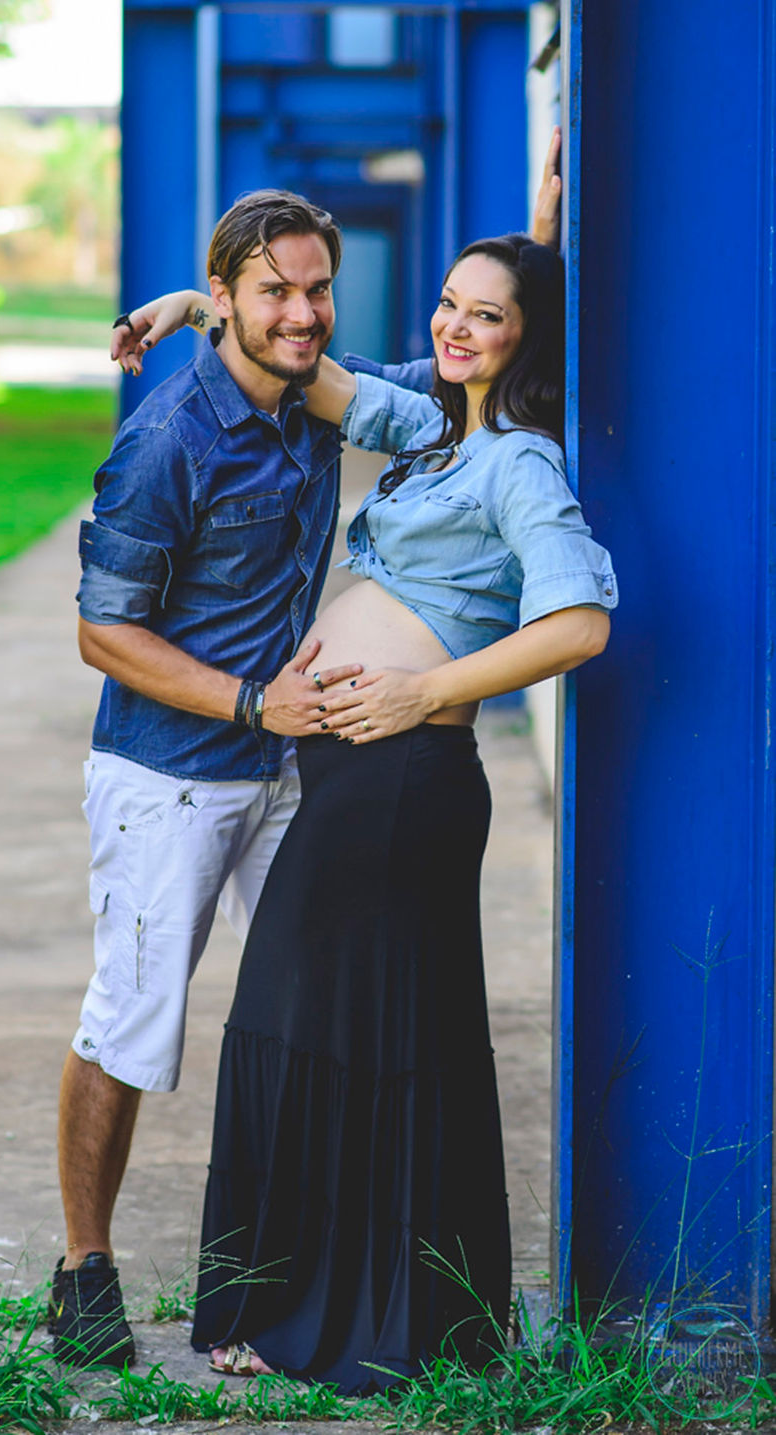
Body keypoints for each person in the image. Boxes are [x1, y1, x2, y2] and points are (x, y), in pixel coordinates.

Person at [111, 221, 616, 1391]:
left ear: (528, 337)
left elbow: (579, 623)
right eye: (448, 303)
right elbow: (314, 374)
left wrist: (422, 690)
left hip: (401, 783)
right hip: (354, 780)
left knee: (318, 1027)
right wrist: (193, 306)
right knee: (333, 1032)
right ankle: (358, 1309)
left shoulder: (518, 463)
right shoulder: (434, 427)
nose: (454, 327)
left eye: (486, 315)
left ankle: (342, 1315)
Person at [49, 188, 365, 1370]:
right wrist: (246, 702)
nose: (302, 313)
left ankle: (290, 1278)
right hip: (169, 778)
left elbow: (450, 385)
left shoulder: (310, 399)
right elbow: (103, 632)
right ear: (228, 296)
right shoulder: (166, 441)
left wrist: (197, 304)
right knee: (131, 1026)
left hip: (282, 768)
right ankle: (82, 1272)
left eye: (316, 289)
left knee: (312, 1009)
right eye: (275, 291)